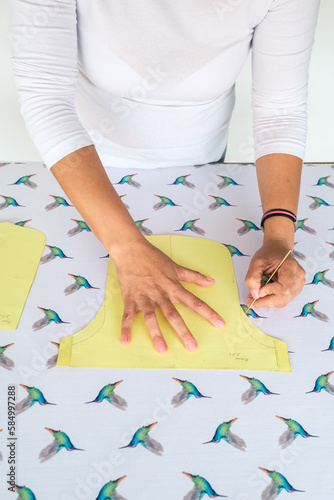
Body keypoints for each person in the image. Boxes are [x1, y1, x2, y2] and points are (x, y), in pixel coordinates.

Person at [9, 0, 320, 354]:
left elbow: (280, 112)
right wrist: (127, 248)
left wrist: (279, 239)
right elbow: (45, 99)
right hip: (85, 169)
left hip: (203, 171)